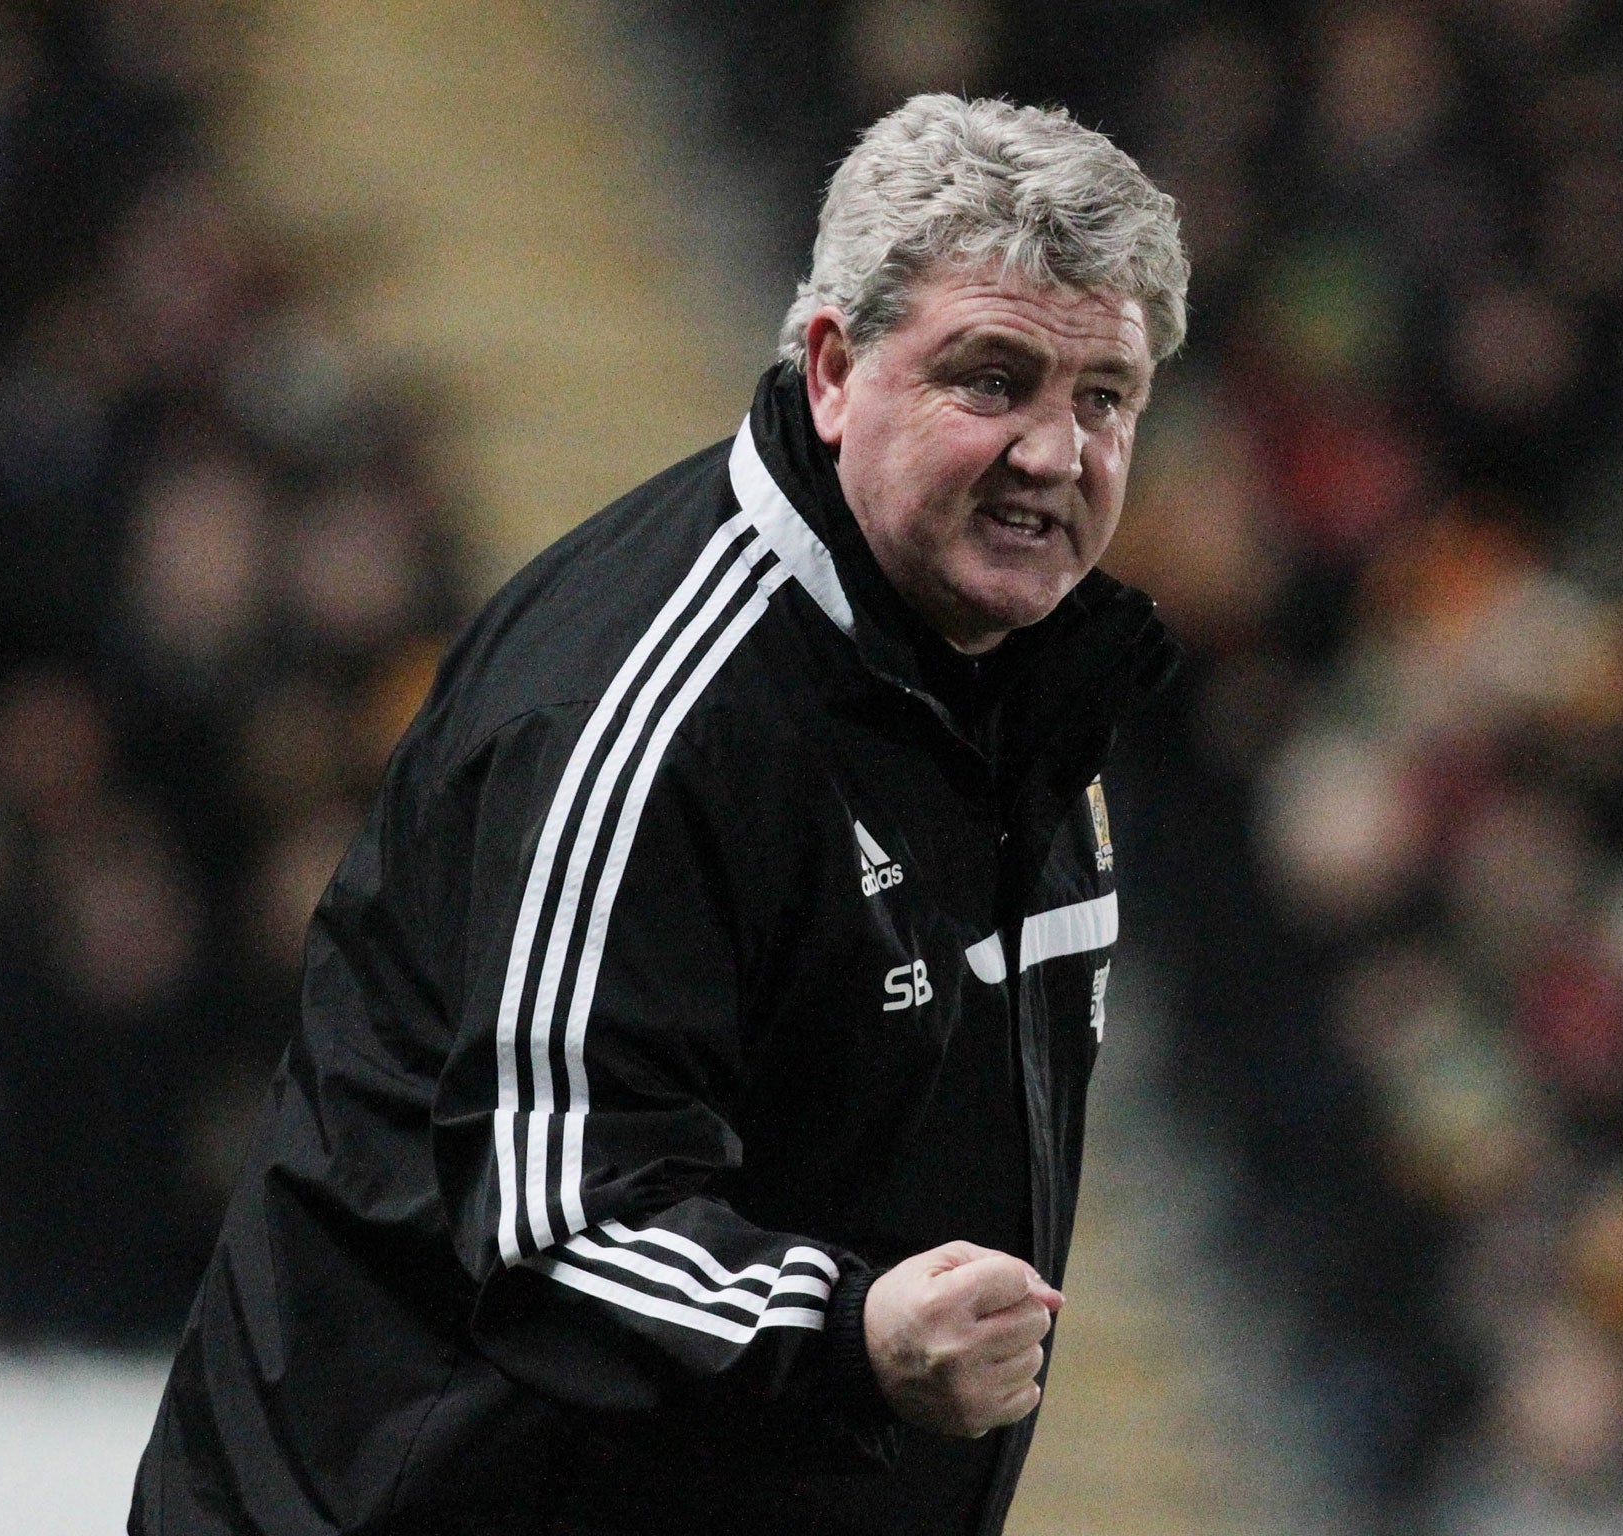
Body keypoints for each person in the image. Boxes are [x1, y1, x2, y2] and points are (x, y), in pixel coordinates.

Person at [131, 92, 1188, 1535]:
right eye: (992, 380)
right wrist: (852, 1336)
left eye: (1104, 397)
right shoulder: (648, 708)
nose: (1057, 456)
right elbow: (554, 1224)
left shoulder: (1021, 696)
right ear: (832, 367)